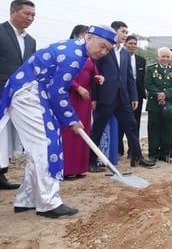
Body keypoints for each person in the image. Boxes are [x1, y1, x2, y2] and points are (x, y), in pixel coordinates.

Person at [0, 25, 116, 218]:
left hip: (36, 93)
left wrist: (71, 119)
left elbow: (55, 89)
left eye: (107, 50)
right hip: (28, 93)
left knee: (39, 147)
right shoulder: (73, 56)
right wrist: (72, 120)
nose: (103, 52)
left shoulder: (76, 51)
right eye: (102, 46)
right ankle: (48, 203)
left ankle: (27, 198)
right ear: (88, 38)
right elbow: (58, 91)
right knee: (47, 145)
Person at [90, 21, 154, 170]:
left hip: (123, 98)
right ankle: (91, 161)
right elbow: (95, 73)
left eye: (126, 32)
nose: (125, 35)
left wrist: (134, 97)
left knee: (131, 126)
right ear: (114, 32)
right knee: (97, 129)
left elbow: (129, 77)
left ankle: (137, 157)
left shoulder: (125, 53)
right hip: (105, 97)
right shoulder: (105, 50)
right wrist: (94, 97)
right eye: (122, 32)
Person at [0, 0, 37, 190]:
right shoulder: (1, 32)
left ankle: (1, 174)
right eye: (26, 14)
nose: (30, 18)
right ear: (13, 12)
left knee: (7, 137)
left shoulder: (31, 41)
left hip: (20, 97)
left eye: (33, 15)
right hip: (1, 92)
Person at [61, 25, 103, 179]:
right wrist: (77, 87)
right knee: (69, 131)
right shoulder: (68, 51)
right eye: (86, 35)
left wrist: (99, 78)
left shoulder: (88, 55)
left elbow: (94, 73)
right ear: (77, 35)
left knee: (83, 132)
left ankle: (79, 168)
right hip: (69, 96)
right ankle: (66, 169)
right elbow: (63, 74)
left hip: (85, 98)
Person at [145, 47, 172, 163]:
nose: (165, 59)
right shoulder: (150, 69)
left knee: (167, 129)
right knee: (154, 129)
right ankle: (153, 154)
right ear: (158, 57)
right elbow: (148, 84)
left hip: (169, 104)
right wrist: (159, 94)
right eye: (163, 56)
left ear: (170, 58)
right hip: (154, 104)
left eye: (167, 56)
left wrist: (165, 94)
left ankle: (165, 154)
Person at [118, 35, 146, 157]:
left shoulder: (141, 60)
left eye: (135, 43)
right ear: (125, 44)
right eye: (130, 43)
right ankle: (119, 150)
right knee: (121, 123)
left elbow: (141, 79)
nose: (132, 46)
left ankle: (133, 150)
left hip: (137, 95)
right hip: (122, 94)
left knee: (135, 123)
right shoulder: (120, 56)